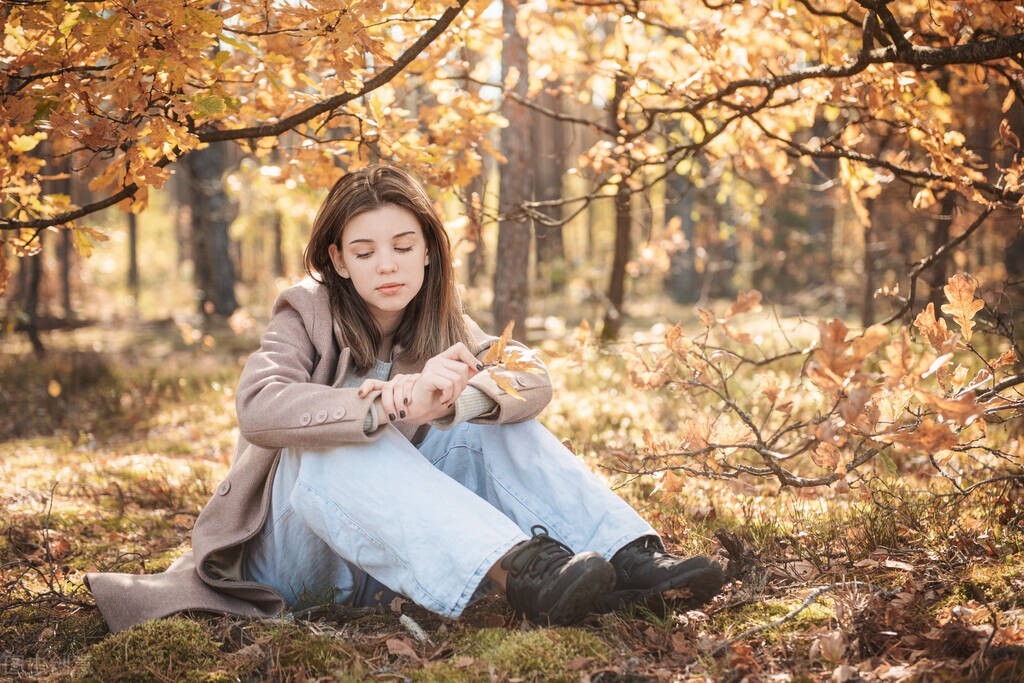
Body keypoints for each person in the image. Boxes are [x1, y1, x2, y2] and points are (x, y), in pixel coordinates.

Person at [86, 165, 723, 633]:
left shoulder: (445, 323)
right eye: (364, 252)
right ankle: (521, 572)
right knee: (334, 439)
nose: (386, 266)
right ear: (338, 260)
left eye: (403, 247)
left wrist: (453, 405)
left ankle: (630, 559)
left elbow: (530, 374)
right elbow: (259, 405)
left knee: (493, 417)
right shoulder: (304, 311)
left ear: (427, 252)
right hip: (294, 556)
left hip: (391, 557)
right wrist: (384, 406)